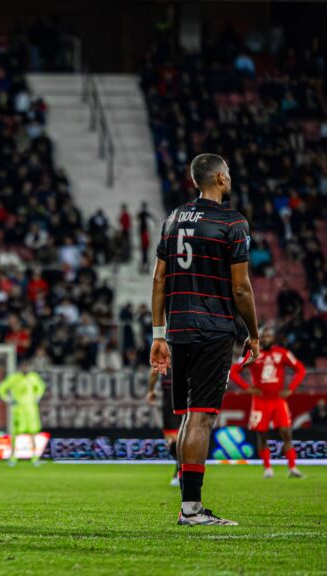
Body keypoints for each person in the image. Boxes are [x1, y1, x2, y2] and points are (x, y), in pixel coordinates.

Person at [150, 153, 259, 526]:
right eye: (227, 173)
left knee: (185, 418)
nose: (230, 178)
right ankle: (192, 510)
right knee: (201, 418)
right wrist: (254, 335)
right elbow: (242, 289)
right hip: (213, 327)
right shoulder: (232, 221)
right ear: (220, 179)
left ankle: (189, 507)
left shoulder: (173, 218)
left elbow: (159, 279)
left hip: (178, 327)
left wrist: (157, 333)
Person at [228, 327, 306, 479]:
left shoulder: (282, 353)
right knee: (262, 436)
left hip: (278, 400)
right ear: (260, 338)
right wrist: (247, 388)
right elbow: (234, 370)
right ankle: (268, 469)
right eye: (264, 336)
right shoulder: (254, 354)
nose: (267, 338)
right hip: (260, 401)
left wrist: (291, 389)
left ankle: (292, 468)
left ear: (273, 337)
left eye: (269, 335)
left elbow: (300, 369)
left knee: (286, 433)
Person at [0, 363, 46, 466]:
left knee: (33, 434)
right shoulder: (14, 378)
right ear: (20, 367)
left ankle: (35, 457)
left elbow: (41, 388)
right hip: (18, 410)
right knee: (15, 434)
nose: (25, 368)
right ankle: (13, 457)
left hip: (31, 410)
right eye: (23, 366)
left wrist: (38, 397)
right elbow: (1, 389)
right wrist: (8, 399)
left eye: (27, 366)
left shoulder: (33, 377)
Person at [147, 366, 182, 487]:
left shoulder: (162, 354)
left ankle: (179, 473)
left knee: (173, 440)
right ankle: (181, 472)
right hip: (187, 402)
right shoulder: (189, 351)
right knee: (183, 439)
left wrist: (151, 391)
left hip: (170, 405)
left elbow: (153, 373)